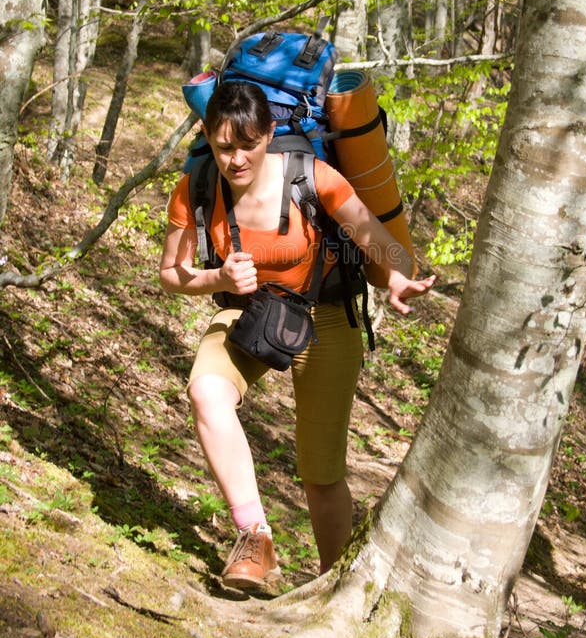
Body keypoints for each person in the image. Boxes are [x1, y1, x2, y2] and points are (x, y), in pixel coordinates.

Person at [159, 80, 435, 591]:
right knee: (206, 391)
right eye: (223, 147)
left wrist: (397, 274)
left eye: (248, 144)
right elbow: (171, 274)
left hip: (326, 315)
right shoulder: (196, 185)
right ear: (207, 137)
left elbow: (370, 230)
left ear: (269, 133)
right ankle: (254, 538)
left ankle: (332, 587)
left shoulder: (312, 176)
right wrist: (217, 279)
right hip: (247, 312)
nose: (235, 159)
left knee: (321, 471)